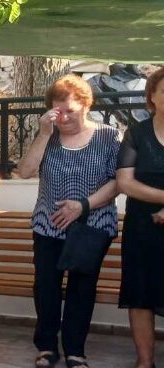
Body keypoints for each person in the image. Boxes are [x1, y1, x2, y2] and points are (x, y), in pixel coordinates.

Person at [17, 74, 120, 368]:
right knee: (46, 288)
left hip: (92, 226)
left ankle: (75, 351)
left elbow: (117, 182)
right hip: (48, 226)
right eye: (57, 111)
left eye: (70, 111)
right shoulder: (48, 136)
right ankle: (47, 347)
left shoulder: (109, 136)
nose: (63, 118)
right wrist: (43, 134)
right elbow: (24, 171)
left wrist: (83, 206)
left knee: (81, 290)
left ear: (86, 106)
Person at [116, 67, 164, 368]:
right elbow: (125, 183)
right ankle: (145, 361)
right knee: (140, 293)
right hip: (142, 228)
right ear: (152, 97)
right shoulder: (136, 133)